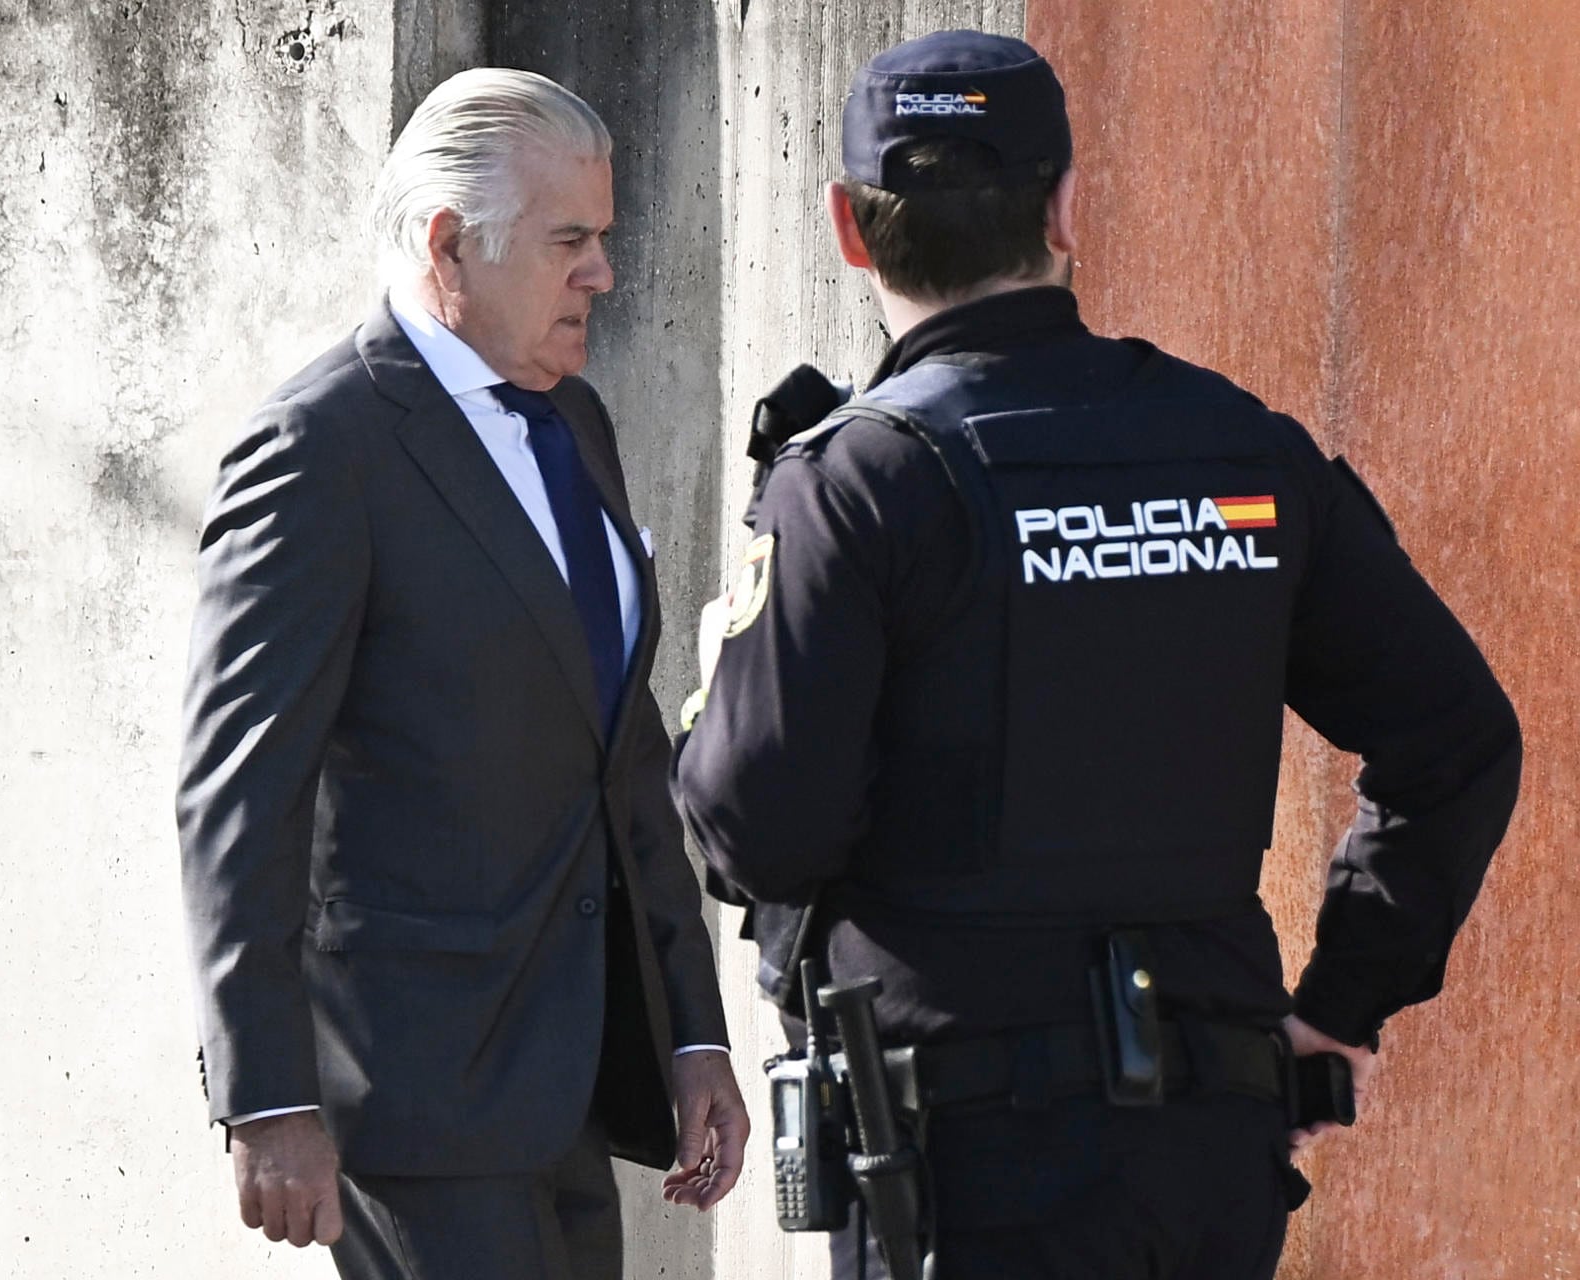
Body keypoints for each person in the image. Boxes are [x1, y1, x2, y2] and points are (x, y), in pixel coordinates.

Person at [672, 29, 1521, 1280]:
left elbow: (762, 831)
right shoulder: (1243, 450)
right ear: (1068, 206)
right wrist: (1345, 1004)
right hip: (1209, 1151)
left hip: (961, 1165)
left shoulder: (855, 485)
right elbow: (1457, 738)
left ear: (850, 227)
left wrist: (719, 705)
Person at [177, 67, 748, 1280]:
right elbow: (240, 798)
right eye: (569, 241)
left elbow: (625, 759)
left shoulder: (575, 422)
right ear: (449, 245)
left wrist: (693, 1032)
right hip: (415, 1099)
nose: (603, 273)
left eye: (605, 238)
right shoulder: (318, 450)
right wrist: (267, 1092)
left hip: (574, 1085)